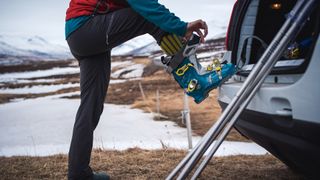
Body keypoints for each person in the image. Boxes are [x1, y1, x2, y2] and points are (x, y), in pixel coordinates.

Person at [65, 0, 235, 179]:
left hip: (79, 33)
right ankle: (193, 78)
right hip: (86, 26)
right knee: (146, 15)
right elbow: (145, 5)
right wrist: (181, 27)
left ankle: (78, 174)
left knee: (90, 108)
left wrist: (175, 29)